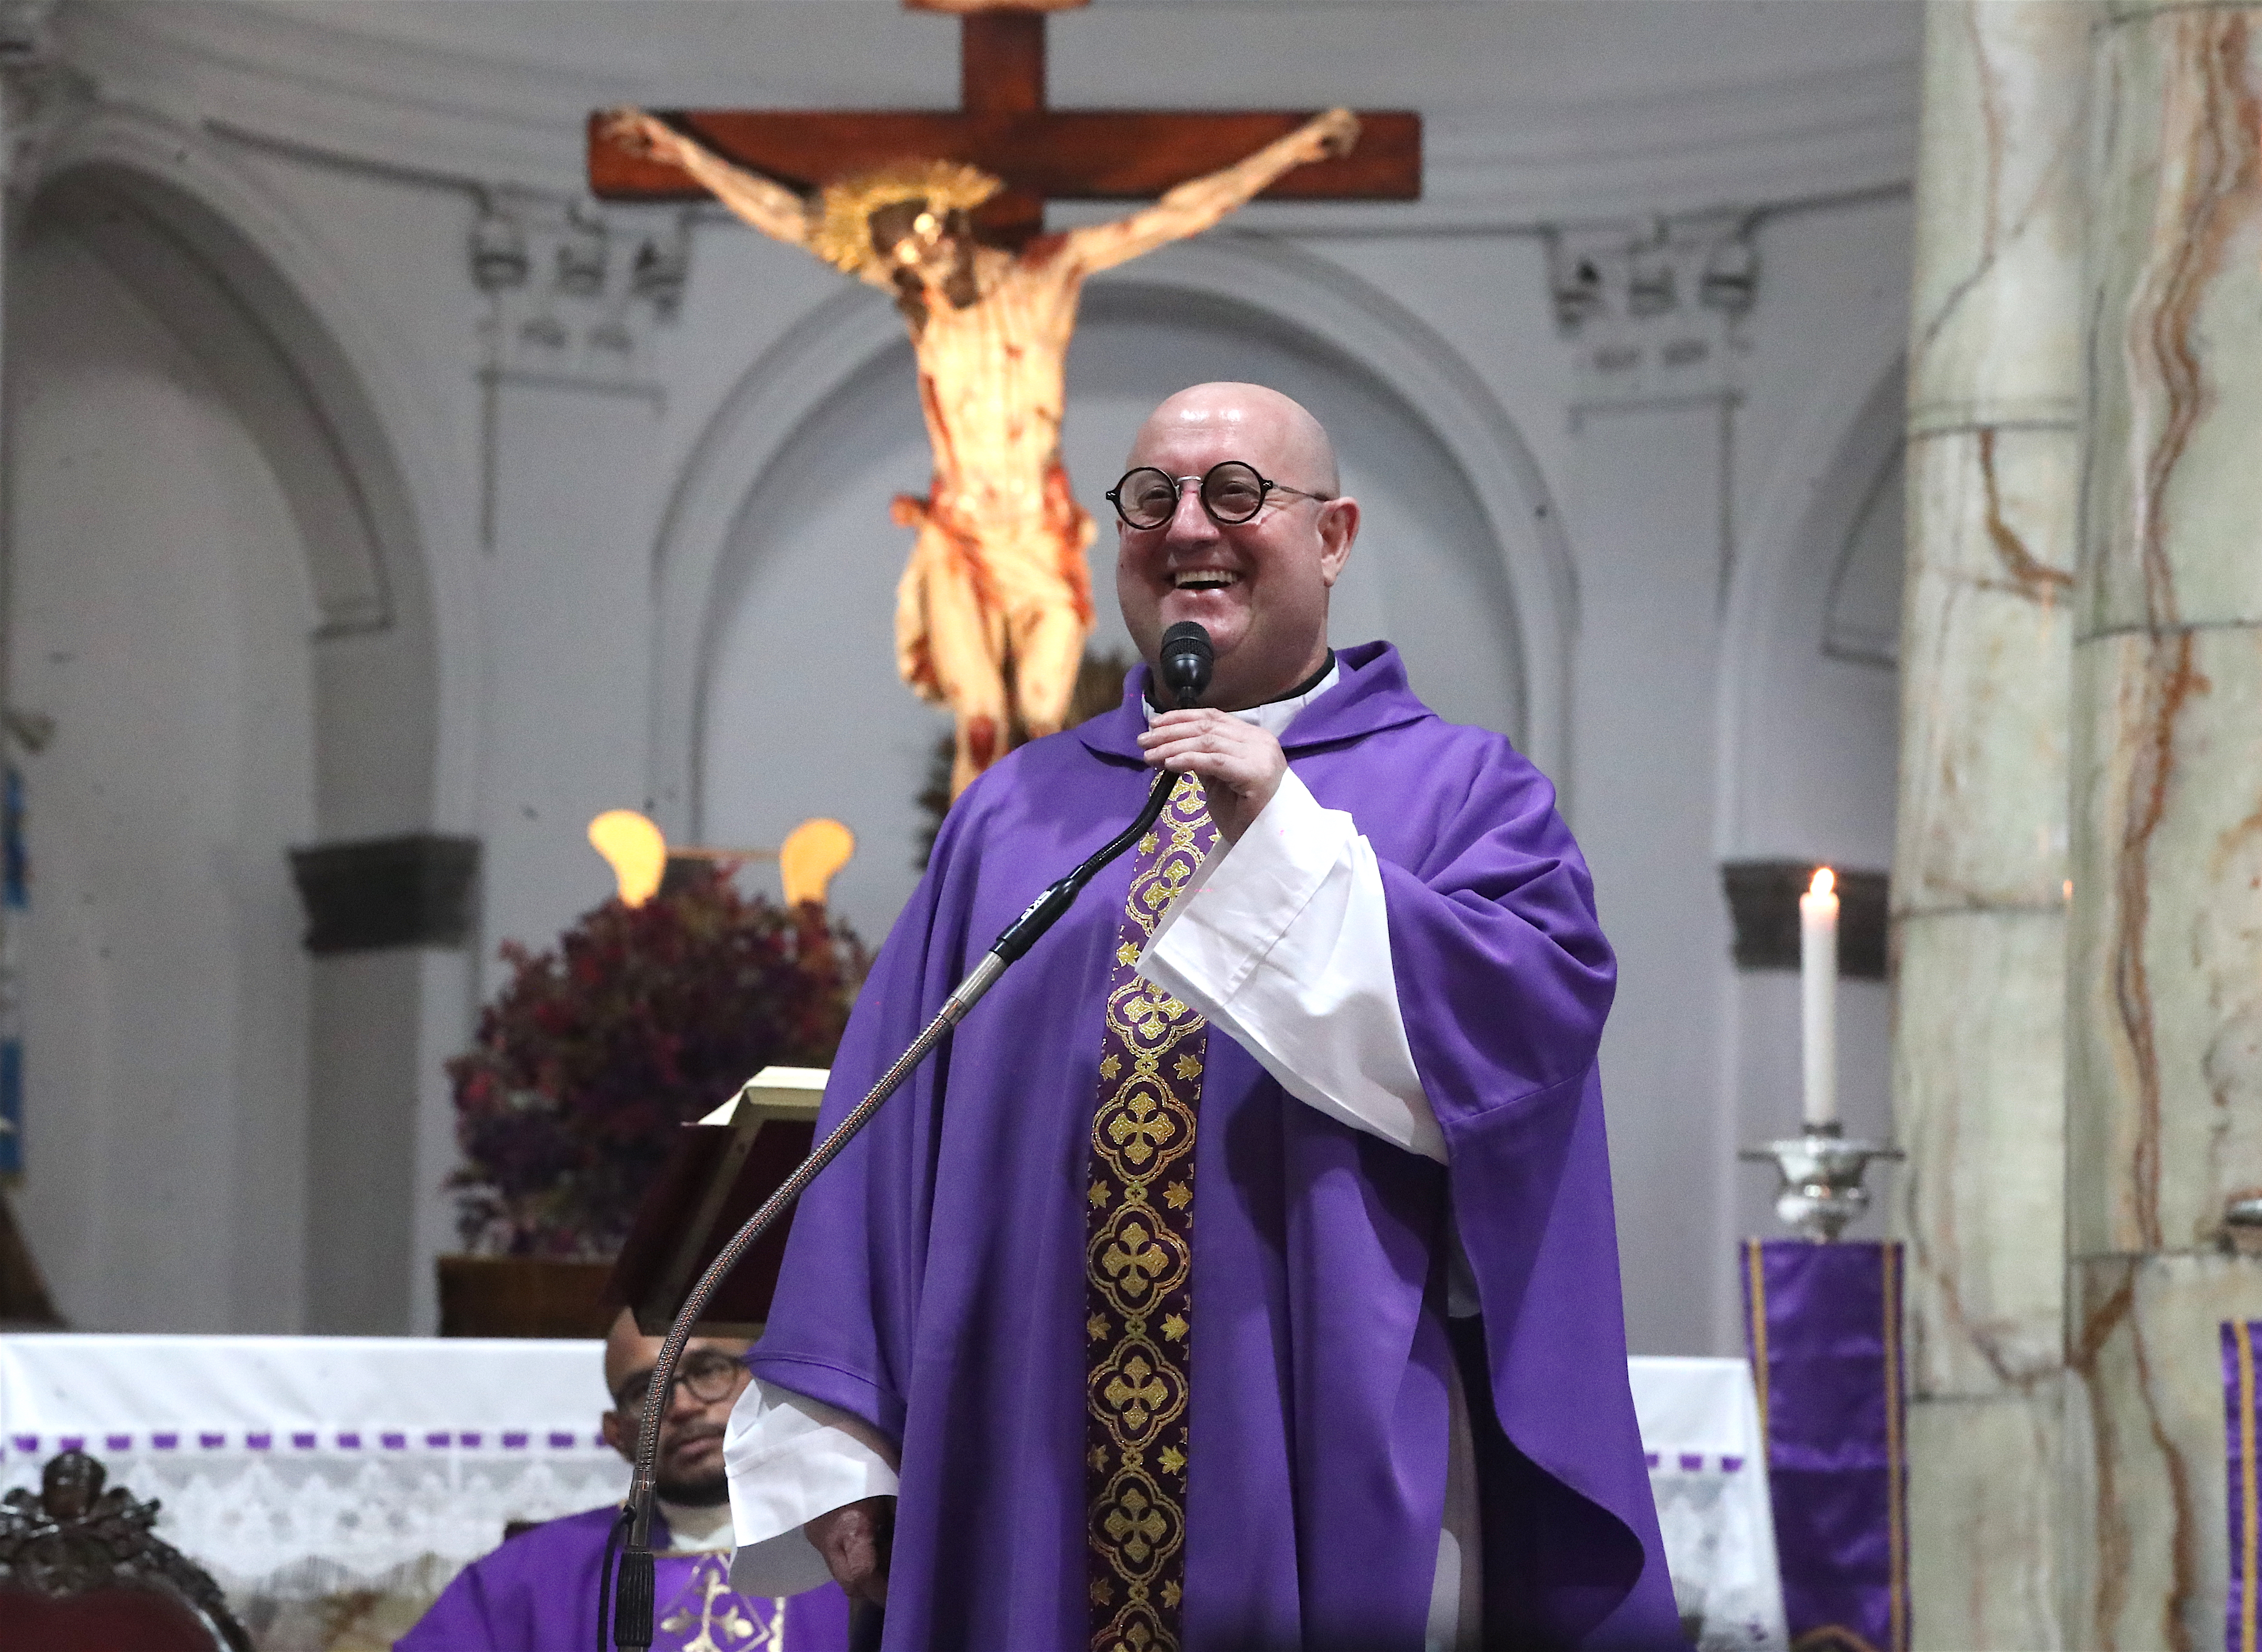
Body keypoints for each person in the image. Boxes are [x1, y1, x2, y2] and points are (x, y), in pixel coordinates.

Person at [726, 382, 1682, 1650]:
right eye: (1152, 498)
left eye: (1238, 495)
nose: (1189, 527)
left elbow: (1518, 1062)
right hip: (1026, 1446)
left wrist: (1282, 836)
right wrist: (844, 1428)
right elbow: (883, 1128)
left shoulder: (1462, 794)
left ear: (1333, 540)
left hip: (1328, 1434)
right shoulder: (1013, 816)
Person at [598, 107, 1360, 796]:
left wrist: (1287, 154)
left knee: (1041, 714)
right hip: (959, 538)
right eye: (907, 272)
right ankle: (969, 878)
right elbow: (793, 219)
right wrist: (683, 157)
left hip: (1036, 536)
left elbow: (1173, 216)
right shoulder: (923, 305)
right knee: (981, 725)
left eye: (927, 258)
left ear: (953, 228)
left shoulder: (1044, 276)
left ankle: (1050, 857)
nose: (922, 281)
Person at [398, 1311, 847, 1651]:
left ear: (764, 1381)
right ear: (617, 1434)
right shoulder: (532, 1576)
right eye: (647, 1392)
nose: (684, 1406)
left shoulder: (854, 1546)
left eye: (709, 1370)